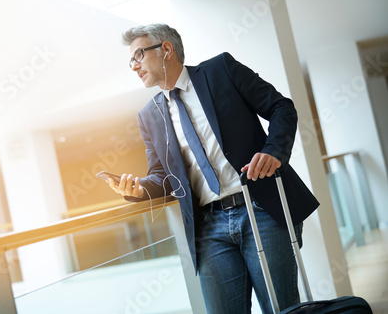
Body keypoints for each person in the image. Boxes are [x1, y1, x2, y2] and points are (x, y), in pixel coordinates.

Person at [106, 23, 320, 314]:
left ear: (166, 49)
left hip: (260, 209)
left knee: (281, 309)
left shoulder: (221, 70)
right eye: (132, 60)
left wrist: (273, 152)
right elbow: (163, 176)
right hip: (208, 228)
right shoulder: (149, 116)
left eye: (139, 55)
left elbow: (281, 108)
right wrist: (139, 189)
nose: (134, 66)